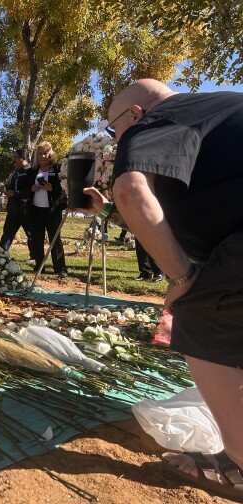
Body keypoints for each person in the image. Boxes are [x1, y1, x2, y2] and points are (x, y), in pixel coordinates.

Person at [82, 79, 243, 500]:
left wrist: (181, 280)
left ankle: (240, 466)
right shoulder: (222, 108)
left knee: (202, 320)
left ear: (135, 115)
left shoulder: (159, 118)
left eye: (113, 130)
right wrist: (113, 214)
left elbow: (132, 189)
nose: (116, 140)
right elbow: (166, 208)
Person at [26, 141, 68, 278]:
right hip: (35, 211)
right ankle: (39, 267)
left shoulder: (58, 170)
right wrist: (31, 189)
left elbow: (64, 190)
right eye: (40, 153)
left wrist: (52, 189)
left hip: (53, 212)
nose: (42, 156)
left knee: (55, 240)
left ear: (51, 154)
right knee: (37, 240)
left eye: (45, 153)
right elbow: (25, 189)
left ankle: (60, 269)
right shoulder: (32, 171)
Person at [0, 149, 33, 255]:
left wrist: (14, 193)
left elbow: (30, 190)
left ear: (24, 158)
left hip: (26, 210)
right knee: (7, 234)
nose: (13, 160)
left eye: (16, 157)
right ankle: (0, 257)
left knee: (32, 236)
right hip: (13, 210)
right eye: (13, 157)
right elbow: (11, 187)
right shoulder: (16, 171)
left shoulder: (30, 171)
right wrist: (5, 188)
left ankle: (36, 260)